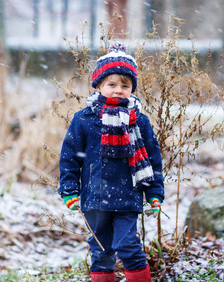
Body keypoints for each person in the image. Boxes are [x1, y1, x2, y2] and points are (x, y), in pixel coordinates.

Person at [58, 42, 164, 282]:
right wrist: (69, 190)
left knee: (128, 245)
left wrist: (154, 193)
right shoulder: (84, 119)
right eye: (111, 84)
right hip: (95, 197)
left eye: (125, 85)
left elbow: (152, 160)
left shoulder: (140, 121)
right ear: (99, 86)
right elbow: (69, 158)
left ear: (132, 89)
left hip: (128, 196)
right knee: (101, 250)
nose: (118, 90)